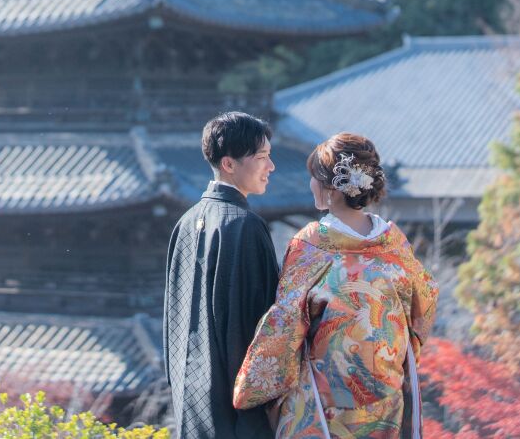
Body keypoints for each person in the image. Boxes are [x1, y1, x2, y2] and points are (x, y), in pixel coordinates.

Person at [233, 132, 438, 439]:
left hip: (328, 402)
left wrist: (254, 384)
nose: (310, 185)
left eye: (314, 177)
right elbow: (425, 303)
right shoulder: (394, 242)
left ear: (331, 186)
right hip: (386, 394)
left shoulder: (312, 244)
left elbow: (286, 320)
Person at [164, 111, 280, 439]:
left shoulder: (185, 222)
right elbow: (266, 326)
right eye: (262, 158)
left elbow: (172, 324)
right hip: (238, 410)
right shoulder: (244, 225)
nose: (271, 167)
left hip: (193, 403)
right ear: (229, 164)